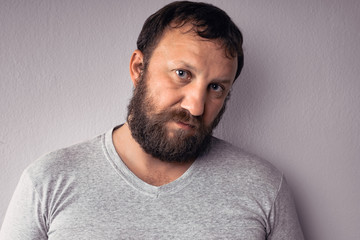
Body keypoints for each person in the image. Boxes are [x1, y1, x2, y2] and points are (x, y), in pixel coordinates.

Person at [0, 1, 304, 239]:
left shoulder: (264, 188)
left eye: (216, 88)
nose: (196, 106)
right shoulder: (48, 182)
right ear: (138, 68)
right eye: (182, 74)